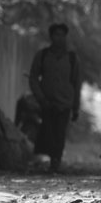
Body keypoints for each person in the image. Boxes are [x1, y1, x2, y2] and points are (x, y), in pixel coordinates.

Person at [28, 23, 81, 173]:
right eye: (57, 35)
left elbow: (76, 83)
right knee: (48, 133)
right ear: (51, 37)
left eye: (62, 35)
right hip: (47, 103)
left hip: (65, 104)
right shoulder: (43, 55)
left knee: (60, 134)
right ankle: (50, 160)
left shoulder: (72, 58)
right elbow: (33, 78)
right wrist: (40, 97)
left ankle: (55, 162)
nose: (60, 38)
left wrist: (76, 107)